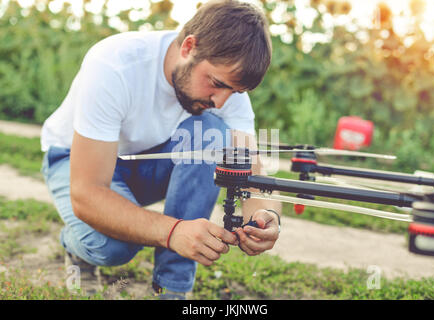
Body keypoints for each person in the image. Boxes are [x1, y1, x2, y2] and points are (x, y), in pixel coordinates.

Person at [40, 0, 282, 299]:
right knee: (113, 247)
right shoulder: (114, 64)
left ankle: (172, 290)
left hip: (146, 162)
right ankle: (74, 245)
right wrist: (172, 231)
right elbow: (87, 193)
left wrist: (267, 217)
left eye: (233, 92)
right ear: (188, 47)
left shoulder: (226, 90)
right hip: (74, 161)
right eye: (216, 84)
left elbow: (252, 171)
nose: (221, 101)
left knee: (210, 134)